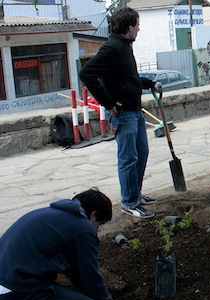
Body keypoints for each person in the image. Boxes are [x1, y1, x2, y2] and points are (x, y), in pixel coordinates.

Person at [0, 188, 116, 300]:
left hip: (9, 281)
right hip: (17, 289)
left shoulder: (52, 214)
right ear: (93, 214)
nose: (98, 230)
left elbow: (74, 272)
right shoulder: (83, 229)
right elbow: (87, 274)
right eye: (100, 224)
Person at [79, 7, 158, 219]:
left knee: (141, 154)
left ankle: (136, 194)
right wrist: (107, 101)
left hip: (135, 111)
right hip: (124, 114)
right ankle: (129, 202)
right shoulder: (112, 48)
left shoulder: (124, 46)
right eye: (138, 25)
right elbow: (86, 73)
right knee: (128, 159)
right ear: (129, 27)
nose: (139, 29)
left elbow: (128, 78)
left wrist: (149, 84)